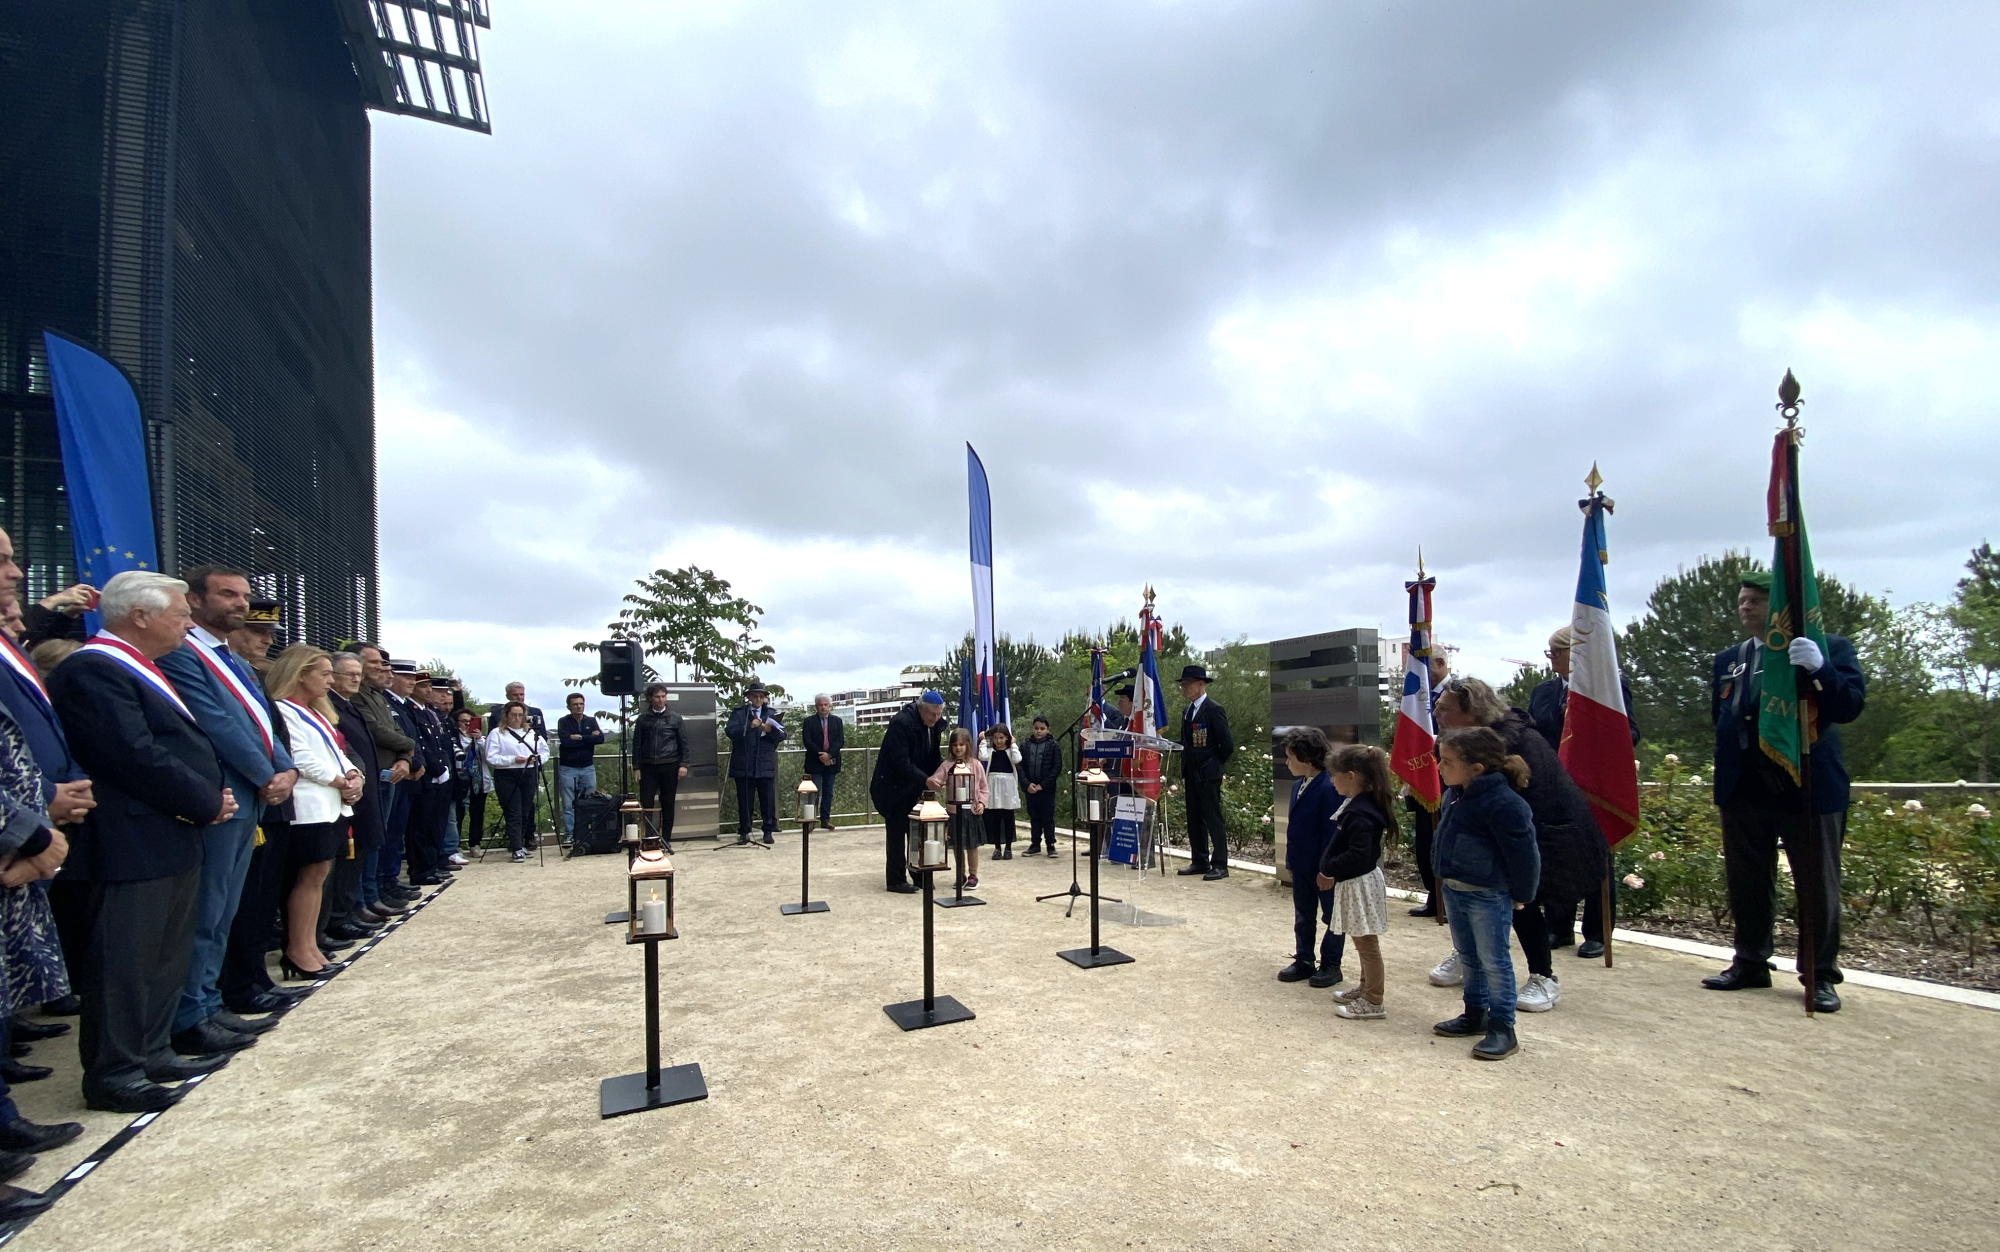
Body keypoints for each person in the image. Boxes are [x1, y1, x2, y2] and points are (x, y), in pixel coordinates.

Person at [47, 571, 238, 1113]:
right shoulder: (93, 669)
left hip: (168, 833)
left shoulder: (138, 667)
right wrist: (205, 799)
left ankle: (153, 1050)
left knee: (162, 953)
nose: (186, 622)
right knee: (124, 960)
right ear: (140, 615)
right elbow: (131, 753)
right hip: (130, 836)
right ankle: (116, 1069)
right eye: (180, 613)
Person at [1703, 569, 1865, 1013]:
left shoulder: (1828, 648)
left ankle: (1820, 974)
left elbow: (1848, 706)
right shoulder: (1731, 659)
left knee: (1816, 883)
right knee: (1747, 882)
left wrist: (1819, 670)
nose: (1745, 607)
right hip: (1746, 788)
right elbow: (1721, 717)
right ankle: (1751, 961)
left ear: (1781, 609)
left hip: (1806, 784)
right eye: (1741, 600)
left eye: (1755, 600)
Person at [155, 565, 297, 1058]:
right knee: (207, 908)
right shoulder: (184, 653)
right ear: (193, 600)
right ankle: (190, 1013)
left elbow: (260, 715)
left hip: (253, 791)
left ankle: (210, 1003)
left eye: (244, 595)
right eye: (227, 594)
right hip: (224, 794)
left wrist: (285, 769)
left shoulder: (229, 657)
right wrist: (265, 773)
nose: (240, 603)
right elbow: (216, 722)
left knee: (224, 909)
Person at [1430, 676, 1603, 1013]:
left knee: (1523, 903)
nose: (1437, 713)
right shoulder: (1469, 742)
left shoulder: (1516, 743)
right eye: (1437, 706)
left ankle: (1543, 977)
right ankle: (1467, 956)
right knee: (1467, 903)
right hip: (1486, 836)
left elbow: (1531, 804)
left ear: (1472, 712)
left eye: (1445, 708)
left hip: (1548, 834)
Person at [1528, 625, 1641, 957]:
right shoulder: (1543, 691)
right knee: (1557, 855)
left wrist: (1591, 726)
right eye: (1549, 653)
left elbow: (1630, 733)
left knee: (1597, 856)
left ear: (1575, 654)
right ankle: (1559, 927)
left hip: (1594, 787)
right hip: (1554, 785)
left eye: (1557, 653)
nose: (1552, 659)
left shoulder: (1607, 686)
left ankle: (1598, 931)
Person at [1429, 726, 1540, 1061]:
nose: (1439, 767)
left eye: (1447, 761)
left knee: (1494, 961)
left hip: (1487, 894)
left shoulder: (1505, 803)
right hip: (1456, 888)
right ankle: (1474, 1013)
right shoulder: (1454, 794)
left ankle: (1503, 1026)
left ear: (1476, 768)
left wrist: (1522, 892)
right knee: (1468, 957)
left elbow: (1524, 854)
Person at [267, 648, 364, 980]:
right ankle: (297, 948)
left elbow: (338, 752)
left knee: (319, 878)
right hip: (309, 804)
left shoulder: (316, 712)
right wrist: (339, 780)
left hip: (332, 804)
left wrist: (355, 776)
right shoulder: (284, 710)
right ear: (300, 673)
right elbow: (299, 756)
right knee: (307, 878)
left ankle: (309, 944)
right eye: (323, 673)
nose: (330, 680)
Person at [1320, 745, 1397, 1020]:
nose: (1332, 781)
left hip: (1359, 883)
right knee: (1361, 940)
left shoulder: (1361, 813)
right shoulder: (1358, 806)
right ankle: (1366, 988)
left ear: (1351, 776)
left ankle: (1374, 999)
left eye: (1335, 775)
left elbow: (1360, 854)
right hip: (1354, 882)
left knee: (1366, 944)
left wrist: (1330, 867)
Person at [347, 644, 417, 906]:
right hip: (373, 775)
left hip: (391, 773)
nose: (380, 667)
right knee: (371, 839)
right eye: (373, 662)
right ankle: (366, 897)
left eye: (381, 663)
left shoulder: (377, 696)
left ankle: (377, 889)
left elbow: (396, 728)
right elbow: (376, 731)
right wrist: (409, 746)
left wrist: (404, 757)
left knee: (384, 836)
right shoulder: (358, 697)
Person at [1276, 728, 1344, 990]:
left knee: (1332, 916)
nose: (1287, 763)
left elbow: (1332, 833)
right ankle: (1304, 958)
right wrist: (1291, 862)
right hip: (1302, 864)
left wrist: (1328, 868)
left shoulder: (1329, 787)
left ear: (1306, 759)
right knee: (1304, 914)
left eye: (1291, 758)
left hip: (1321, 867)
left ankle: (1331, 963)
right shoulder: (1297, 786)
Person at [870, 692, 946, 892]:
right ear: (921, 709)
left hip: (915, 786)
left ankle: (919, 874)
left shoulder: (935, 725)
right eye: (932, 715)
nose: (936, 718)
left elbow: (932, 756)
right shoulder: (901, 723)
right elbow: (900, 761)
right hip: (892, 787)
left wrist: (941, 773)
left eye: (939, 714)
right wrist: (926, 779)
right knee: (896, 832)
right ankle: (895, 880)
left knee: (918, 832)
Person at [1406, 648, 1452, 917]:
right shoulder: (1418, 697)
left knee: (1444, 840)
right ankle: (1434, 897)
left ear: (1439, 663)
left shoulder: (1458, 694)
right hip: (1424, 779)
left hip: (1449, 780)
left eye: (1424, 664)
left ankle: (1446, 900)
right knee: (1425, 842)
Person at [1176, 664, 1234, 880]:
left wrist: (1213, 765)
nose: (1184, 689)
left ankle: (1220, 864)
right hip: (1191, 773)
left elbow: (1226, 745)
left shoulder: (1213, 709)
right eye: (1182, 685)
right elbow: (1187, 742)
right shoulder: (1187, 711)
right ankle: (1199, 860)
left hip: (1208, 774)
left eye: (1187, 684)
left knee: (1212, 818)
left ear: (1201, 685)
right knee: (1194, 818)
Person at [724, 682, 785, 845]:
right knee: (745, 801)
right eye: (755, 696)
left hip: (764, 764)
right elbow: (730, 732)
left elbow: (782, 735)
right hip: (743, 764)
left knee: (767, 800)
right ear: (749, 698)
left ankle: (768, 831)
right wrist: (750, 726)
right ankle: (744, 831)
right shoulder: (739, 714)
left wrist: (769, 730)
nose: (758, 699)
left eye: (761, 696)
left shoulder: (771, 713)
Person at [928, 727, 988, 890]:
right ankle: (960, 874)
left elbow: (983, 787)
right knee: (957, 845)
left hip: (971, 811)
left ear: (968, 745)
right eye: (955, 745)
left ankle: (973, 875)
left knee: (972, 845)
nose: (958, 748)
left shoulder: (975, 765)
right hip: (954, 812)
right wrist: (934, 783)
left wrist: (981, 802)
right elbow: (936, 780)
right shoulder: (947, 765)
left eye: (962, 744)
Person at [631, 684, 689, 848]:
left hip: (669, 764)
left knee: (668, 803)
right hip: (648, 766)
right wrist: (636, 766)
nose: (661, 699)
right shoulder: (643, 719)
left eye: (663, 696)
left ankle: (666, 839)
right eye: (657, 696)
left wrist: (683, 764)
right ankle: (649, 838)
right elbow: (637, 744)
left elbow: (683, 742)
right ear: (650, 698)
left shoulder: (675, 718)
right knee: (647, 803)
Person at [486, 702, 544, 862]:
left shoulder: (531, 732)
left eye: (520, 715)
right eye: (513, 715)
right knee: (513, 812)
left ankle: (519, 843)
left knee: (525, 811)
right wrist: (512, 759)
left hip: (528, 772)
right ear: (506, 715)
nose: (517, 719)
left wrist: (536, 760)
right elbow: (491, 757)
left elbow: (543, 751)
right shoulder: (497, 733)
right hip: (506, 774)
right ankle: (516, 847)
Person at [555, 693, 604, 846]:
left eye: (581, 704)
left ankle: (587, 832)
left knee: (588, 802)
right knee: (569, 804)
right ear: (569, 706)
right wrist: (589, 738)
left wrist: (580, 737)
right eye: (575, 704)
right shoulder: (563, 722)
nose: (579, 706)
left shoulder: (591, 720)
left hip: (587, 767)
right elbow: (566, 742)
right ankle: (570, 834)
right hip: (568, 768)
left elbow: (600, 739)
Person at [1019, 715, 1062, 857]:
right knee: (1034, 817)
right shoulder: (1025, 745)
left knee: (1047, 817)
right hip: (1030, 788)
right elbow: (1019, 766)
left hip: (1046, 789)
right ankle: (1035, 844)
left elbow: (1056, 767)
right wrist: (1026, 784)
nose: (1039, 731)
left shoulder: (1053, 745)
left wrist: (1043, 785)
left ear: (1047, 730)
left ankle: (1050, 844)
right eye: (1036, 728)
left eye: (1042, 729)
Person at [978, 724, 1021, 859]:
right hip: (994, 785)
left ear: (1007, 738)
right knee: (995, 818)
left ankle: (1008, 848)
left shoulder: (1010, 752)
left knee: (1008, 817)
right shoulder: (991, 752)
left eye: (1002, 738)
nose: (999, 741)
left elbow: (1018, 759)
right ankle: (997, 847)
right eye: (996, 738)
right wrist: (983, 740)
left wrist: (1013, 745)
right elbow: (982, 756)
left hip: (1007, 785)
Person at [801, 695, 843, 825]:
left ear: (829, 706)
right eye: (820, 705)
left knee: (828, 792)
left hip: (831, 762)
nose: (823, 707)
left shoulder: (837, 721)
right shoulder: (809, 721)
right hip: (815, 761)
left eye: (825, 704)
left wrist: (829, 755)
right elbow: (807, 741)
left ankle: (825, 819)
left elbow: (840, 741)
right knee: (814, 792)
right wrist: (821, 754)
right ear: (816, 706)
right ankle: (811, 820)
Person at [453, 709, 489, 855]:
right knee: (458, 813)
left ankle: (475, 843)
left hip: (478, 781)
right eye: (463, 721)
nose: (467, 724)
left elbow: (489, 755)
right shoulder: (455, 739)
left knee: (477, 813)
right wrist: (465, 737)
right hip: (460, 781)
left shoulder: (481, 739)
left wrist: (479, 739)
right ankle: (456, 844)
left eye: (470, 721)